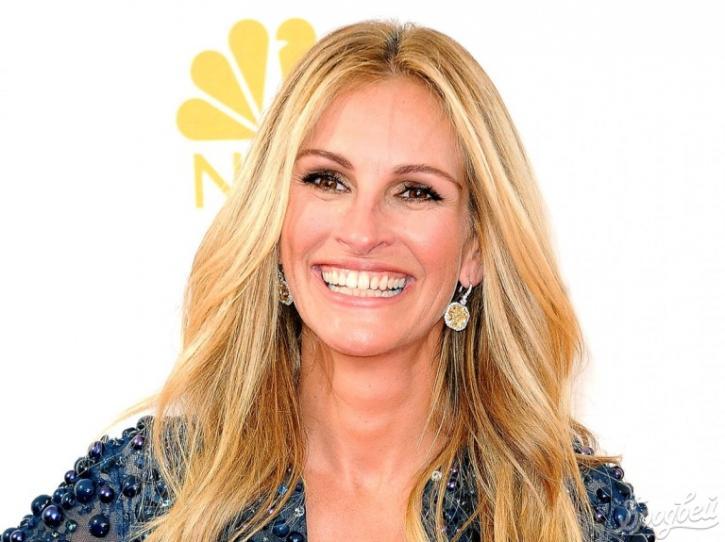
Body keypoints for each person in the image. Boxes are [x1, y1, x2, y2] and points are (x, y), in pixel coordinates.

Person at [2, 19, 656, 542]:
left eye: (415, 191)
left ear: (474, 250)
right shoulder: (152, 486)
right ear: (274, 218)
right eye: (327, 180)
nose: (363, 230)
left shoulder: (565, 509)